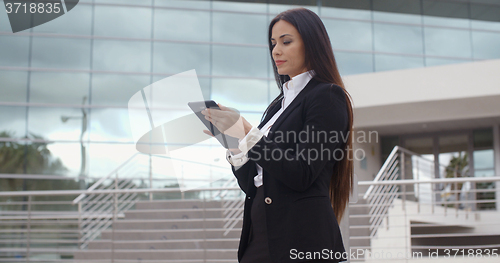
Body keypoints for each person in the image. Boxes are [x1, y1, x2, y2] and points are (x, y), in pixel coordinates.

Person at [201, 7, 353, 263]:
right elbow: (254, 183)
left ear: (312, 43)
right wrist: (236, 144)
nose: (276, 51)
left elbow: (302, 172)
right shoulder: (277, 106)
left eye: (286, 41)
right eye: (273, 43)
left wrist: (248, 132)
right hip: (261, 234)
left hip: (302, 238)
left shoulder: (327, 97)